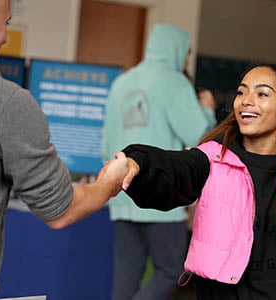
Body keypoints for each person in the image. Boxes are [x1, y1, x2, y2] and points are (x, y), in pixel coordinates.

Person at [116, 63, 276, 299]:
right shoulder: (212, 159)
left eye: (262, 93)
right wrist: (138, 162)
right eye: (242, 91)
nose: (246, 100)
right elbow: (176, 167)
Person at [0, 0, 130, 292]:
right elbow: (60, 210)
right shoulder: (8, 103)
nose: (6, 37)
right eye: (5, 23)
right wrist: (110, 182)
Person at [102, 23, 216, 300]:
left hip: (122, 194)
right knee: (171, 270)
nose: (187, 59)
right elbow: (200, 136)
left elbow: (105, 143)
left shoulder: (122, 82)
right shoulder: (174, 82)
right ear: (175, 49)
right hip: (160, 198)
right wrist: (208, 110)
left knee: (127, 273)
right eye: (187, 52)